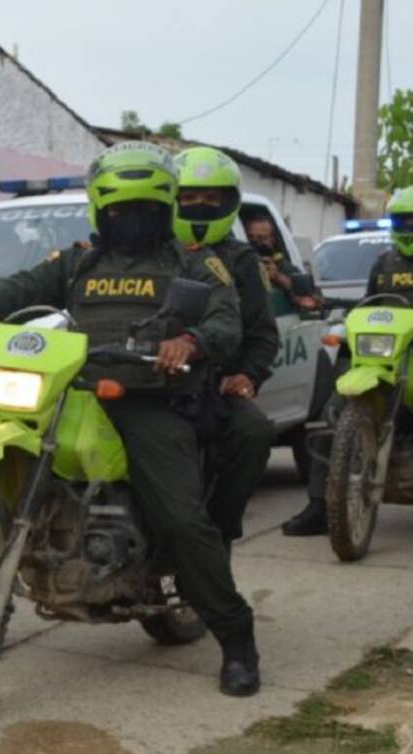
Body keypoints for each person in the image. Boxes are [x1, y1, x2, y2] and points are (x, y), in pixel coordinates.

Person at [0, 142, 261, 697]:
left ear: (165, 208)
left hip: (150, 399)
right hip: (75, 391)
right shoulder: (82, 261)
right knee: (1, 484)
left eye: (147, 210)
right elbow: (23, 288)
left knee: (182, 522)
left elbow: (226, 321)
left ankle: (237, 639)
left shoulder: (192, 262)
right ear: (102, 210)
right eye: (121, 210)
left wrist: (191, 340)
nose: (133, 220)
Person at [282, 186, 413, 535]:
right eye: (406, 221)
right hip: (384, 358)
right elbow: (371, 304)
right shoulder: (385, 261)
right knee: (335, 412)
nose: (412, 227)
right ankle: (321, 506)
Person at [173, 147, 278, 547]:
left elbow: (263, 334)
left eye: (210, 199)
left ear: (227, 202)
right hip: (150, 377)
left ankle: (217, 534)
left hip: (215, 385)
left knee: (254, 431)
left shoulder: (242, 261)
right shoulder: (158, 250)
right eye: (189, 198)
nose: (199, 206)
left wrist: (246, 375)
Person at [245, 216, 320, 315]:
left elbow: (314, 301)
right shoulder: (239, 263)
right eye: (250, 238)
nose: (256, 243)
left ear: (272, 239)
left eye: (262, 238)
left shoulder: (284, 267)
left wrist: (277, 277)